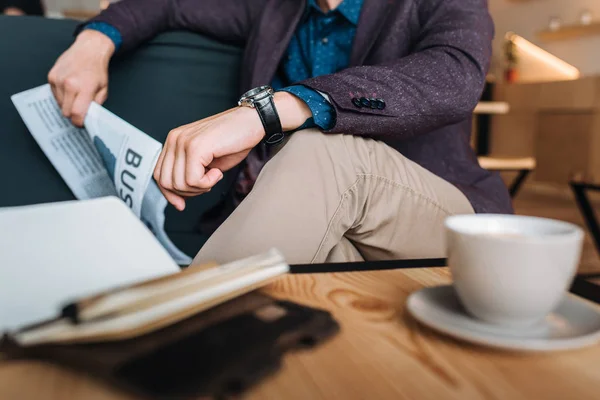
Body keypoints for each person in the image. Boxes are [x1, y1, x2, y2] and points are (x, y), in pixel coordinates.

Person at [47, 0, 513, 265]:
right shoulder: (275, 9)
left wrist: (267, 112)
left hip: (438, 213)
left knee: (320, 150)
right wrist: (95, 41)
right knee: (317, 264)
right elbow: (169, 3)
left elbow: (454, 76)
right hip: (333, 232)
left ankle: (176, 342)